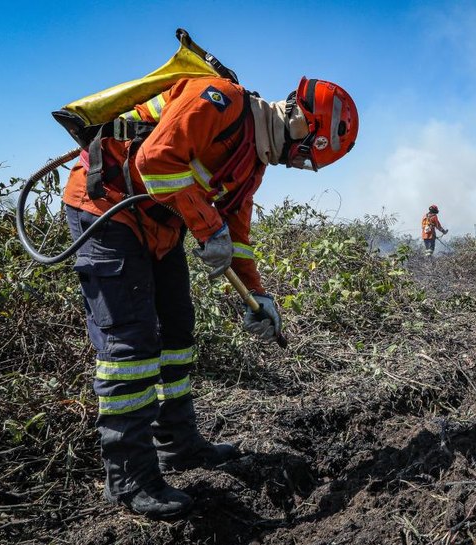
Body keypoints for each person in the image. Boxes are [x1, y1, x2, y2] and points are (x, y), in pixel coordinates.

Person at [62, 75, 358, 518]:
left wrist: (258, 297)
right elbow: (156, 161)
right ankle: (128, 477)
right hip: (106, 210)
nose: (296, 165)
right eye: (304, 153)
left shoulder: (251, 166)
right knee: (132, 346)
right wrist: (207, 227)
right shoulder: (220, 99)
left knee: (178, 333)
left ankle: (178, 444)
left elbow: (235, 238)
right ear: (299, 120)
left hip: (158, 227)